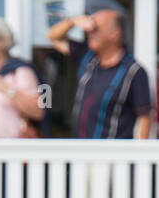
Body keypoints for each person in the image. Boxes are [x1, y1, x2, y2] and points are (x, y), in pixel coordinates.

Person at [47, 10, 151, 139]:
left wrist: (139, 154)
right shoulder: (88, 57)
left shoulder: (134, 72)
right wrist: (72, 22)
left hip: (112, 155)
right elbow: (53, 37)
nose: (89, 33)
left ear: (115, 34)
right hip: (82, 152)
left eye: (95, 29)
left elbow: (144, 118)